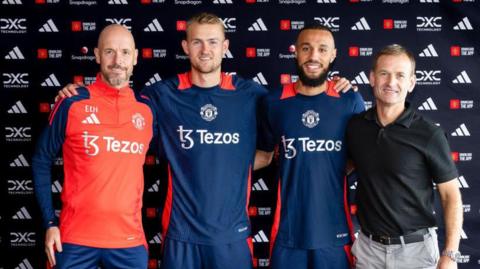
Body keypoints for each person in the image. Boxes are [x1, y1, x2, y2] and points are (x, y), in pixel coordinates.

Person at [57, 13, 353, 269]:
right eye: (197, 42)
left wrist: (336, 85)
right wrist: (79, 93)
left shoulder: (254, 96)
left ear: (225, 47)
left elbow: (277, 142)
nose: (205, 50)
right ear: (186, 46)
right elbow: (117, 100)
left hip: (232, 237)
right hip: (180, 236)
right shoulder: (161, 95)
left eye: (213, 42)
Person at [32, 24, 154, 269]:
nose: (117, 60)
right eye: (109, 51)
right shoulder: (72, 102)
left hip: (128, 241)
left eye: (125, 52)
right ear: (97, 55)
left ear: (136, 58)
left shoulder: (148, 109)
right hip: (74, 238)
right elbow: (41, 159)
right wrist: (49, 223)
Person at [254, 24, 364, 269]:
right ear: (295, 52)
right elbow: (264, 154)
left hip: (335, 233)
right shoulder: (274, 101)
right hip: (288, 232)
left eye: (322, 49)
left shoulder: (349, 101)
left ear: (333, 55)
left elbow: (364, 155)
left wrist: (333, 168)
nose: (314, 56)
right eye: (306, 48)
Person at [346, 44, 463, 269]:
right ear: (372, 78)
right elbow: (340, 167)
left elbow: (451, 196)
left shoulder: (429, 134)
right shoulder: (356, 127)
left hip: (416, 252)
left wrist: (450, 254)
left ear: (411, 83)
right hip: (368, 252)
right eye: (384, 74)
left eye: (400, 75)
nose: (391, 82)